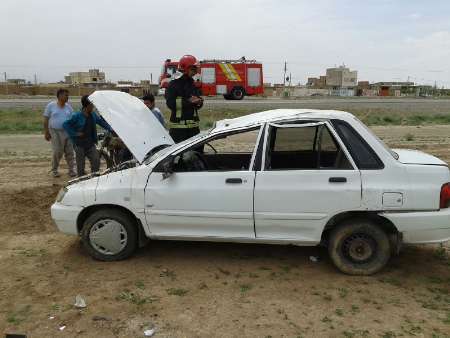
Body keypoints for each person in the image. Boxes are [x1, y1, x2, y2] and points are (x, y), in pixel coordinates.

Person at [63, 95, 112, 177]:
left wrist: (111, 129)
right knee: (81, 166)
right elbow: (65, 125)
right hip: (79, 145)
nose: (93, 106)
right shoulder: (77, 116)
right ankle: (81, 181)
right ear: (87, 105)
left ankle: (93, 178)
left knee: (96, 160)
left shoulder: (93, 115)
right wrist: (75, 133)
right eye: (92, 104)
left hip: (90, 144)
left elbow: (101, 122)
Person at [165, 54, 203, 143]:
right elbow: (170, 103)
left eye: (195, 69)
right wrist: (189, 102)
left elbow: (197, 99)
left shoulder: (192, 83)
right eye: (193, 69)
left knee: (196, 154)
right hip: (179, 130)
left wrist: (199, 102)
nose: (195, 72)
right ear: (185, 67)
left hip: (194, 128)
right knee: (179, 156)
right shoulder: (173, 84)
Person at [43, 88, 76, 177]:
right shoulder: (51, 105)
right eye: (66, 95)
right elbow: (46, 119)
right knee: (57, 151)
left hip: (67, 132)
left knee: (70, 152)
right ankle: (54, 170)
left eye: (68, 95)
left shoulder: (69, 107)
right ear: (59, 96)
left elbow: (73, 119)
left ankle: (71, 170)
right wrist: (46, 132)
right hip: (55, 132)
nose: (67, 97)